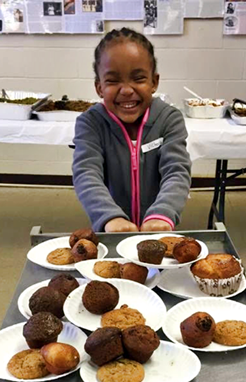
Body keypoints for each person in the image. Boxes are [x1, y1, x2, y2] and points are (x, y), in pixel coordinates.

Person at [72, 28, 191, 233]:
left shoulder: (169, 119)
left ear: (154, 82)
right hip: (111, 229)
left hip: (158, 228)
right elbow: (86, 173)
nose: (126, 90)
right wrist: (109, 216)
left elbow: (177, 171)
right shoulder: (90, 122)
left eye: (138, 78)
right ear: (99, 87)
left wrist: (163, 212)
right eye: (112, 81)